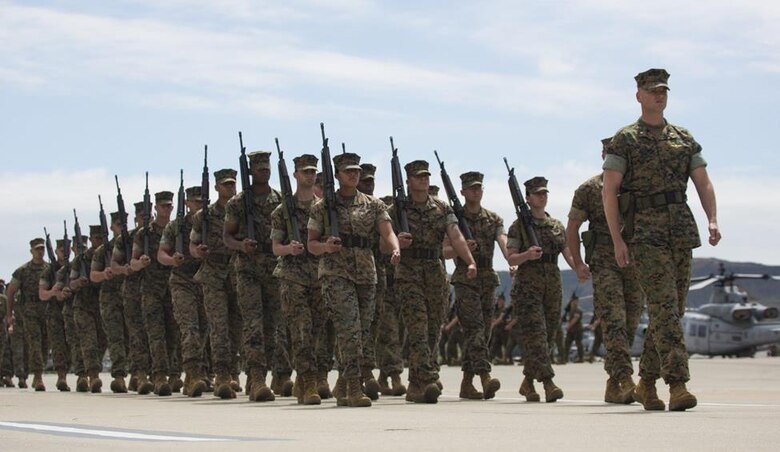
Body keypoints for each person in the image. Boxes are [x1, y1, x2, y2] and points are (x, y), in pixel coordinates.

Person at [603, 68, 721, 411]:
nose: (660, 95)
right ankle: (677, 385)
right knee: (665, 310)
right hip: (645, 234)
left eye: (664, 90)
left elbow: (703, 181)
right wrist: (617, 240)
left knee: (671, 311)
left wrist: (712, 217)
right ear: (639, 95)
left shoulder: (683, 138)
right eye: (653, 90)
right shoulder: (625, 139)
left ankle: (646, 383)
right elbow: (610, 191)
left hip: (681, 231)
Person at [307, 152, 401, 408]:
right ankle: (353, 386)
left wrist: (395, 248)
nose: (354, 174)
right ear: (337, 175)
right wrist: (325, 246)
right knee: (349, 328)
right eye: (348, 171)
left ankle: (343, 382)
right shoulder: (323, 207)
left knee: (361, 331)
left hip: (366, 274)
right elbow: (311, 244)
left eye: (356, 171)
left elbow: (388, 231)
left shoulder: (374, 204)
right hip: (336, 273)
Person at [389, 160, 477, 404]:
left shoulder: (440, 207)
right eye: (418, 177)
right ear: (408, 181)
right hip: (408, 273)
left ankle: (415, 385)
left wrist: (469, 261)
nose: (423, 180)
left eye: (426, 176)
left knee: (431, 331)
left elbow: (456, 236)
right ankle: (428, 378)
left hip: (435, 273)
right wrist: (397, 242)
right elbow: (382, 240)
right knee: (417, 328)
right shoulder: (397, 209)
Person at [566, 137, 643, 403]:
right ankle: (624, 378)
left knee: (631, 320)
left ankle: (613, 380)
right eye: (609, 153)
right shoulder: (589, 189)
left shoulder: (637, 185)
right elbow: (572, 228)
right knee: (614, 319)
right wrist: (577, 262)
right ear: (602, 155)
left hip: (634, 261)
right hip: (604, 260)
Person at [506, 176, 577, 403]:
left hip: (552, 282)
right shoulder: (519, 226)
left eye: (545, 192)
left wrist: (580, 267)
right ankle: (548, 383)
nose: (542, 196)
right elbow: (511, 256)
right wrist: (527, 255)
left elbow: (568, 253)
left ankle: (528, 383)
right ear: (527, 198)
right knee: (536, 333)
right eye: (537, 193)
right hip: (528, 283)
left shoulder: (556, 225)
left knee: (548, 335)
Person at [224, 150, 288, 401]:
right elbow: (227, 236)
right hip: (248, 268)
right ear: (250, 171)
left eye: (267, 166)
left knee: (277, 324)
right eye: (259, 167)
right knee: (253, 323)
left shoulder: (281, 200)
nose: (264, 170)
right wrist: (241, 246)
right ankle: (257, 376)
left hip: (274, 266)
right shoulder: (238, 203)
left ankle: (278, 374)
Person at [443, 171, 506, 400]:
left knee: (484, 332)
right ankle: (485, 377)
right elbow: (443, 251)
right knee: (475, 329)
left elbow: (503, 241)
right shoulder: (453, 220)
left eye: (479, 187)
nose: (476, 191)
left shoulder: (493, 218)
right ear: (462, 192)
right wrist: (462, 248)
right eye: (471, 188)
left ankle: (467, 383)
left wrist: (513, 259)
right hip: (465, 279)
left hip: (487, 278)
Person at [271, 154, 322, 405]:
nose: (310, 175)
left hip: (319, 276)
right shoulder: (283, 210)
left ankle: (304, 381)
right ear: (295, 175)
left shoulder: (323, 208)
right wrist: (288, 249)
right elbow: (275, 248)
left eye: (313, 171)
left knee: (316, 332)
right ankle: (308, 381)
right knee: (301, 331)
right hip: (292, 276)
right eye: (305, 171)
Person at [191, 168, 243, 400]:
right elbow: (193, 244)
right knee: (218, 326)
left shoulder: (242, 210)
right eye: (225, 185)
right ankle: (221, 374)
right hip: (213, 273)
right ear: (216, 188)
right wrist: (197, 251)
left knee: (236, 327)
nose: (230, 188)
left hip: (238, 272)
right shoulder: (204, 215)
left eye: (232, 184)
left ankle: (234, 372)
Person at [158, 185, 209, 397]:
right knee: (190, 329)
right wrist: (172, 260)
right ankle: (192, 374)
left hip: (206, 282)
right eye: (194, 202)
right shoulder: (175, 226)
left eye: (201, 202)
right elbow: (161, 253)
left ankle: (200, 372)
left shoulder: (210, 221)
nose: (198, 206)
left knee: (205, 330)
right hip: (182, 282)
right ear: (187, 203)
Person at [130, 191, 182, 396]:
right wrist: (139, 263)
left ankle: (174, 373)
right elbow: (132, 262)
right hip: (151, 289)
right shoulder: (143, 234)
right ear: (156, 208)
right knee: (155, 334)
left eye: (169, 206)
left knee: (173, 333)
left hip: (174, 287)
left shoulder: (178, 229)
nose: (166, 210)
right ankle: (159, 376)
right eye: (163, 206)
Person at [112, 201, 153, 394]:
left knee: (154, 333)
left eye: (148, 216)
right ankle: (139, 373)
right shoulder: (125, 239)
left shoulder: (156, 235)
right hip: (132, 292)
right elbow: (114, 265)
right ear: (136, 218)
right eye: (141, 217)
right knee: (136, 335)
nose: (145, 220)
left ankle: (157, 373)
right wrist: (127, 268)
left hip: (155, 290)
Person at [91, 212, 129, 393]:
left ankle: (138, 373)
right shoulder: (103, 251)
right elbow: (93, 275)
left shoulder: (132, 244)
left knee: (133, 337)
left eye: (124, 223)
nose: (122, 227)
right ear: (112, 227)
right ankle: (119, 376)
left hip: (130, 297)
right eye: (118, 224)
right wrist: (104, 274)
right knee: (115, 337)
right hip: (110, 299)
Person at [5, 239, 48, 390]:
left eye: (42, 249)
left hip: (46, 311)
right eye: (37, 249)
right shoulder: (22, 270)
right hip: (29, 312)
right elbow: (10, 291)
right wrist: (9, 314)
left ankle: (37, 373)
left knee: (44, 344)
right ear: (31, 251)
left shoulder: (49, 269)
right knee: (34, 343)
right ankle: (38, 375)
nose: (40, 252)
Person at [70, 226, 108, 393]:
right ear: (91, 239)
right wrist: (79, 282)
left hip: (102, 305)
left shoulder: (107, 255)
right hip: (83, 305)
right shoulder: (81, 259)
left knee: (101, 341)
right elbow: (71, 283)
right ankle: (91, 376)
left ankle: (90, 372)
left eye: (101, 237)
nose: (99, 241)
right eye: (96, 238)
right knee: (88, 341)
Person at [38, 238, 73, 391]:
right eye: (61, 250)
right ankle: (61, 377)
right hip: (55, 313)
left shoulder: (74, 266)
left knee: (72, 345)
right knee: (58, 345)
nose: (64, 252)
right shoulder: (49, 270)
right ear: (57, 251)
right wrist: (54, 292)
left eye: (66, 249)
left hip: (72, 311)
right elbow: (42, 294)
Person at [563, 296, 584, 363]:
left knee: (578, 344)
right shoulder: (570, 310)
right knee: (567, 344)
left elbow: (575, 319)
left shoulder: (578, 310)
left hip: (577, 329)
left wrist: (568, 326)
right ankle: (565, 358)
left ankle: (581, 358)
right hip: (571, 330)